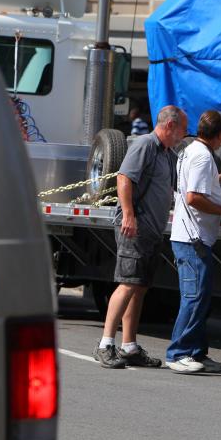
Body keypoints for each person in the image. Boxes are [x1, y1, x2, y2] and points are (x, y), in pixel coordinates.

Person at [94, 105, 188, 369]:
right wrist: (128, 215)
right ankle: (105, 344)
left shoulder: (167, 153)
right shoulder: (146, 145)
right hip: (135, 228)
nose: (184, 134)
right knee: (126, 284)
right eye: (183, 128)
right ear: (170, 126)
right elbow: (124, 177)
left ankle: (129, 345)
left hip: (151, 230)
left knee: (138, 287)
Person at [166, 109, 221, 374]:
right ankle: (178, 353)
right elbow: (192, 197)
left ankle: (197, 351)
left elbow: (194, 184)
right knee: (194, 297)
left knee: (201, 297)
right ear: (219, 135)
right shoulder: (201, 157)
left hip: (193, 237)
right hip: (192, 238)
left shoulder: (192, 150)